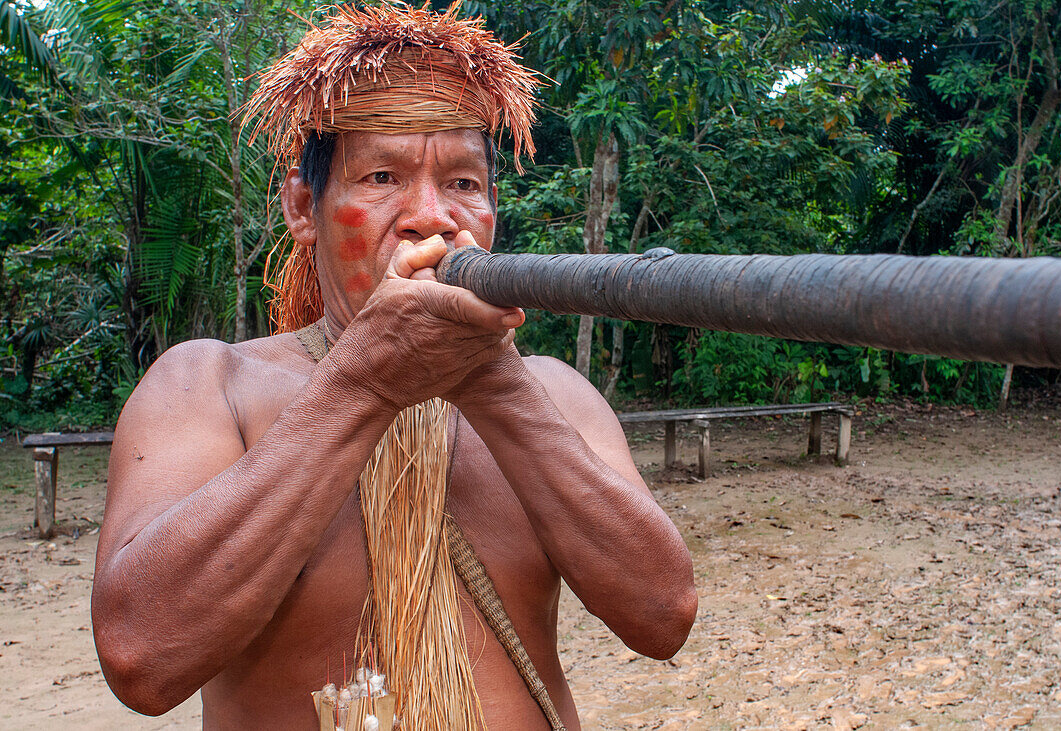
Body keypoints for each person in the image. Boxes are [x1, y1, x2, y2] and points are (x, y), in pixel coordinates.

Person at [91, 5, 696, 729]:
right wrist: (362, 383)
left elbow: (663, 618)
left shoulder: (555, 395)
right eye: (383, 175)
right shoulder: (209, 385)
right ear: (303, 206)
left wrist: (490, 380)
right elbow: (140, 655)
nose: (433, 217)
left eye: (466, 185)